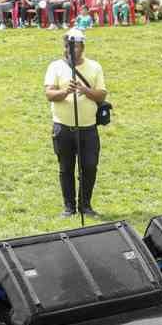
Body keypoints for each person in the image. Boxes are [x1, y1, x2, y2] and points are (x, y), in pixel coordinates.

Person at [43, 27, 107, 218]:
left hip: (88, 128)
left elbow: (102, 93)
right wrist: (64, 92)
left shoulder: (94, 67)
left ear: (82, 46)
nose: (71, 50)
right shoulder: (55, 67)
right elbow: (49, 94)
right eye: (68, 46)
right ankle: (69, 207)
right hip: (63, 128)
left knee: (89, 167)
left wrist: (84, 90)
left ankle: (85, 206)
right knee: (66, 168)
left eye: (76, 46)